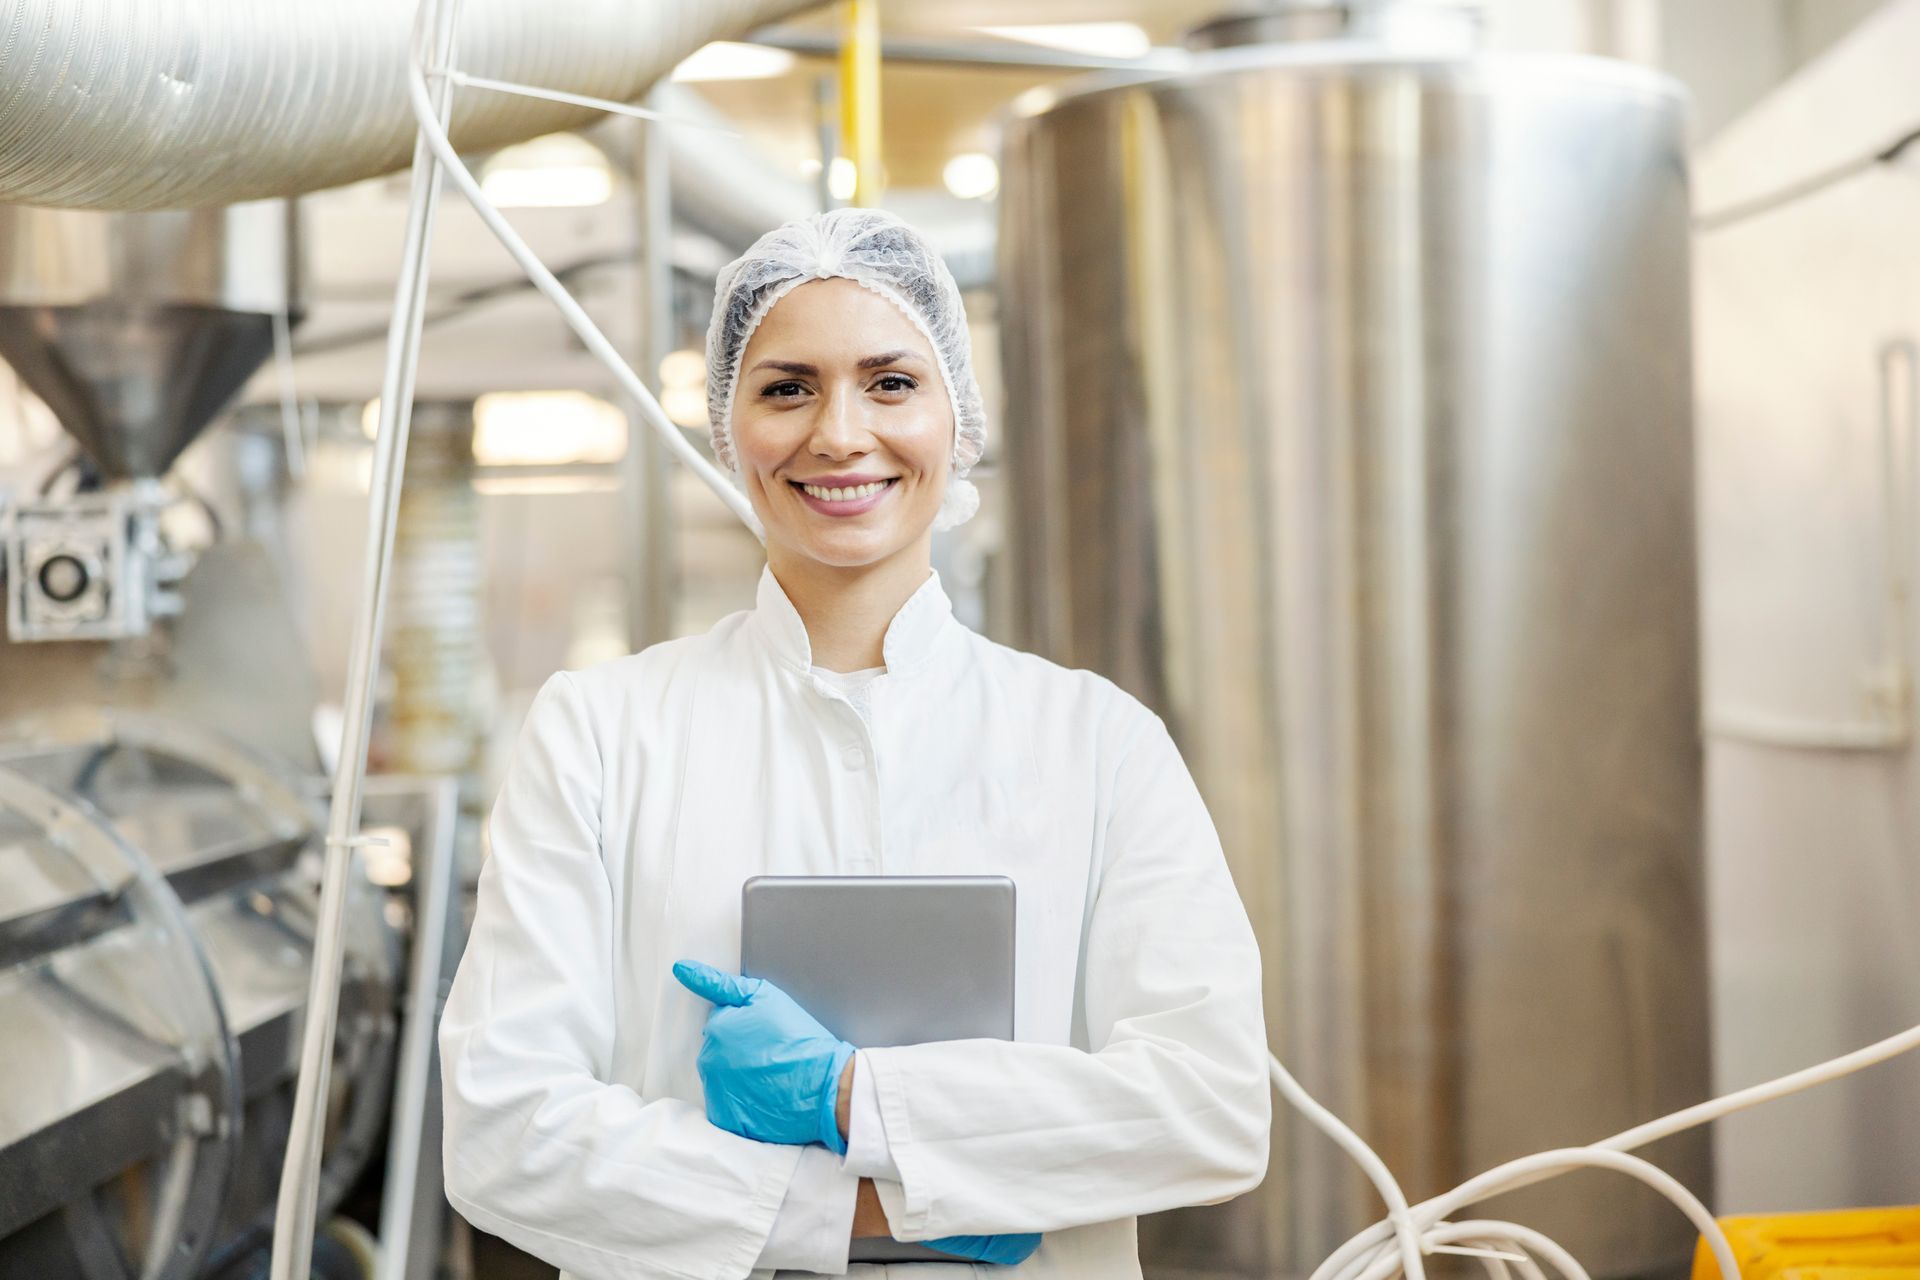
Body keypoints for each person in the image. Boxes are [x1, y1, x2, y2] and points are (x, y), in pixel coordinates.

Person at [439, 207, 1271, 1279]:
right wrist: (858, 1209)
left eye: (891, 382)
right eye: (787, 386)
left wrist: (848, 1097)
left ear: (958, 418)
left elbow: (1207, 1102)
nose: (838, 433)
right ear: (727, 425)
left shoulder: (1097, 741)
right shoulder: (600, 732)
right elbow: (505, 1130)